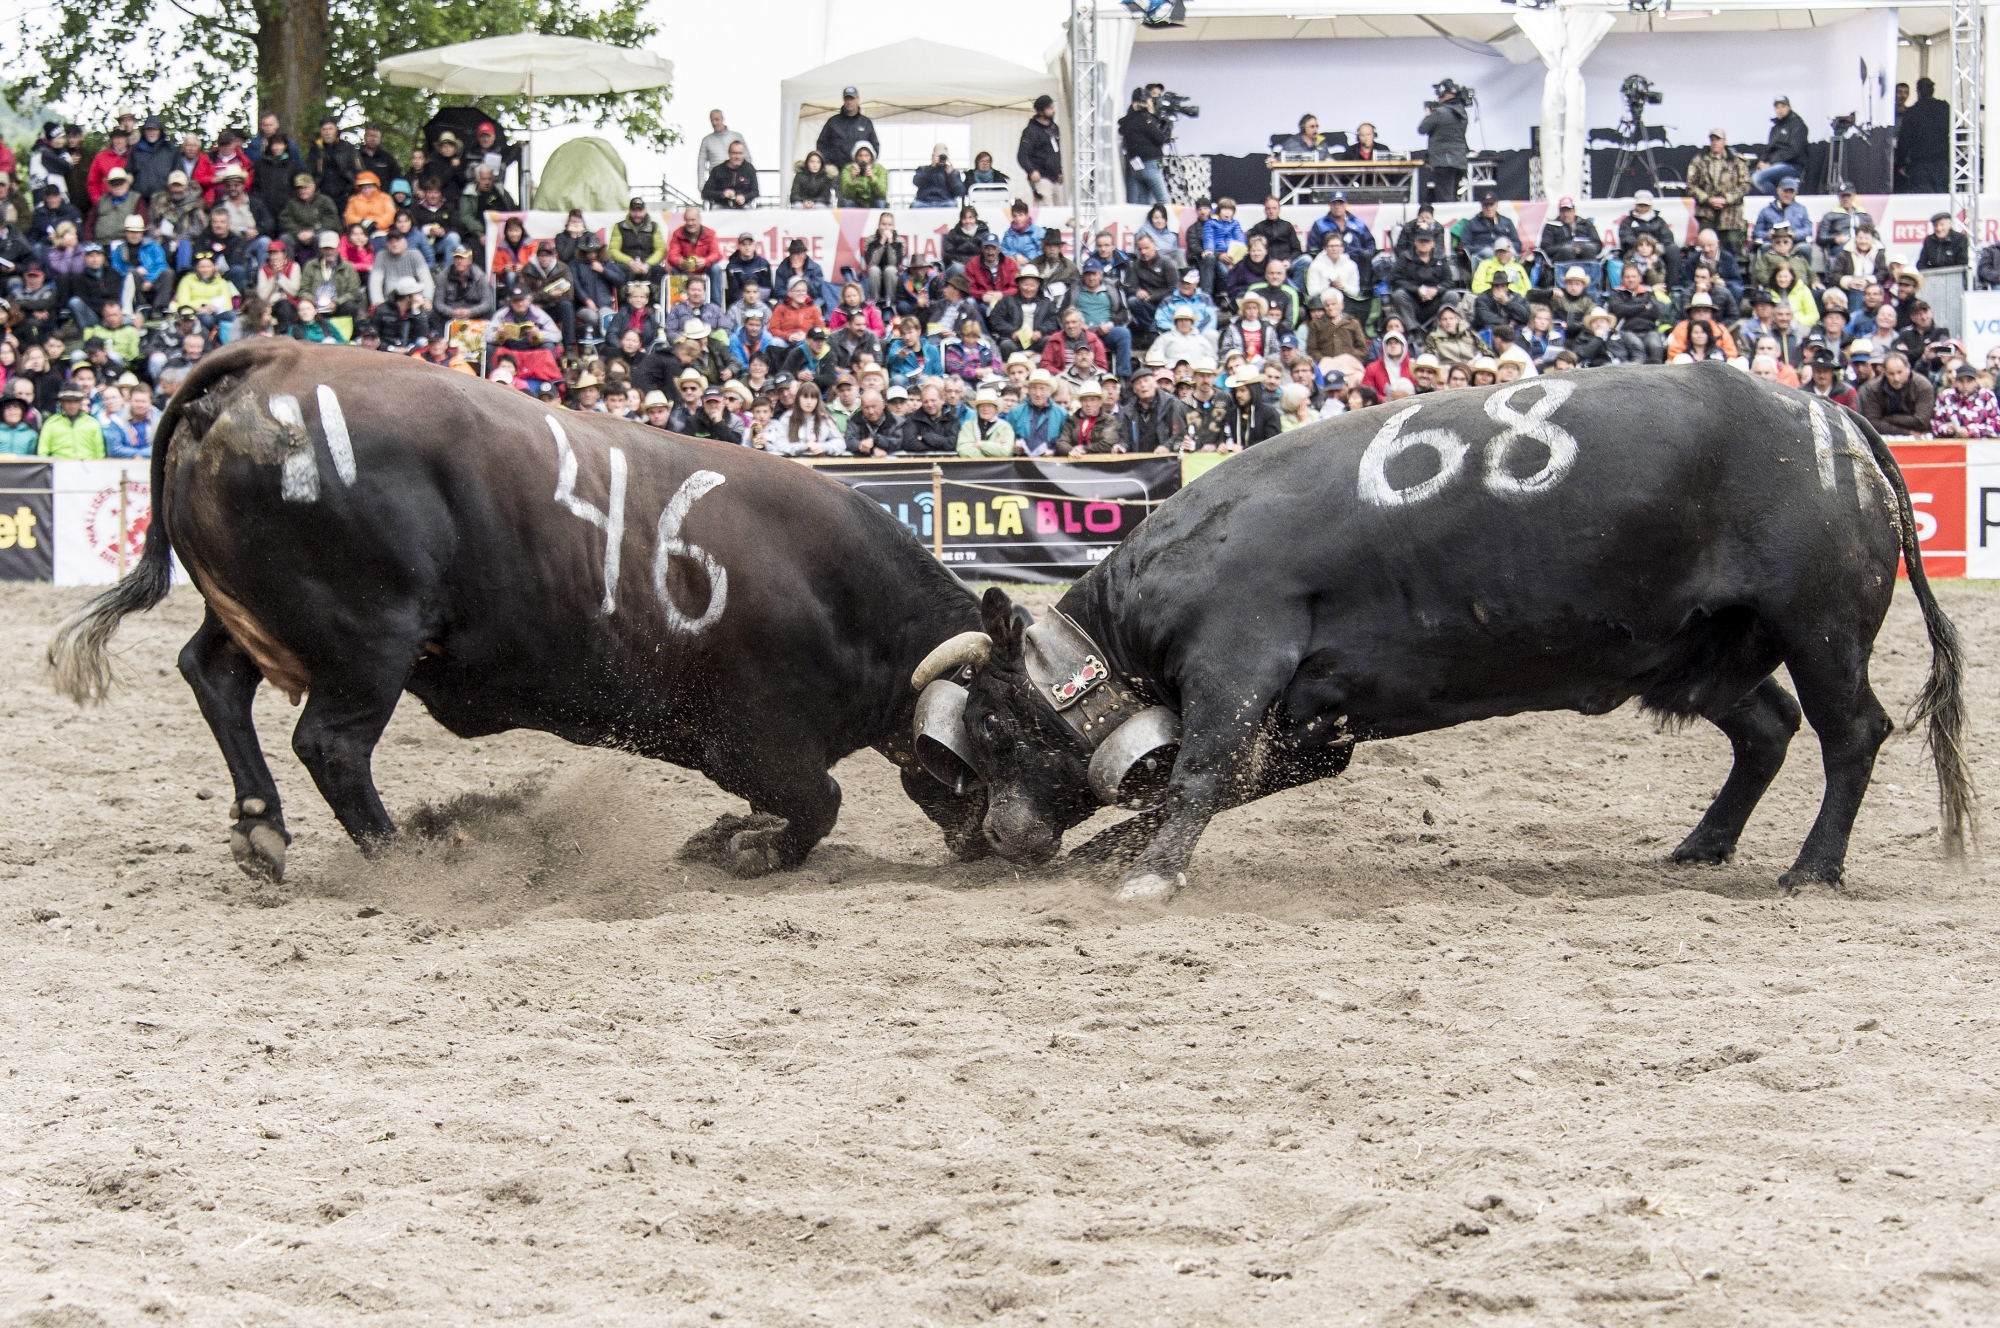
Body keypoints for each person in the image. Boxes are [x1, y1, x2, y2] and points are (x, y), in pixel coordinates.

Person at [1417, 83, 1470, 204]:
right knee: (1452, 196)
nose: (1437, 98)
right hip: (1459, 161)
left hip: (1443, 162)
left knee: (1444, 199)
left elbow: (1422, 129)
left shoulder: (1440, 112)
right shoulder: (1462, 113)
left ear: (1445, 95)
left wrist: (1428, 115)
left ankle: (1448, 222)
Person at [1389, 228, 1452, 331]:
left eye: (1427, 241)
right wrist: (1416, 290)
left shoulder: (1441, 258)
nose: (1424, 244)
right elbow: (1395, 280)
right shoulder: (1405, 257)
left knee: (1452, 295)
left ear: (1433, 244)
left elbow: (1449, 282)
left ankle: (1438, 329)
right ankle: (1413, 331)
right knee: (1398, 295)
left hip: (1435, 301)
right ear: (1415, 242)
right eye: (1421, 241)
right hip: (1412, 301)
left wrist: (1436, 290)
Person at [1896, 78, 1951, 194]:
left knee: (1923, 199)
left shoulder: (1913, 111)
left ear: (1918, 92)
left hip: (1920, 164)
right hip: (1941, 162)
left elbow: (1904, 140)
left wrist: (1901, 163)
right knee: (1942, 197)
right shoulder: (1945, 108)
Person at [1118, 89, 1172, 207]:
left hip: (1134, 166)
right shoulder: (1144, 118)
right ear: (1147, 101)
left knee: (1140, 205)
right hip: (1150, 164)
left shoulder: (1127, 120)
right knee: (1164, 203)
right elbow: (1160, 138)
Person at [1860, 350, 1934, 434]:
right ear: (1884, 372)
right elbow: (1872, 422)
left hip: (1920, 436)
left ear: (1908, 368)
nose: (1896, 378)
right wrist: (1906, 432)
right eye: (1891, 374)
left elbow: (1921, 421)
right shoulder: (1873, 388)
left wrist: (1888, 418)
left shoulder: (1923, 385)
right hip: (1885, 435)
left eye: (1900, 372)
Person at [764, 378, 844, 455]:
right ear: (798, 398)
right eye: (805, 397)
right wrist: (803, 447)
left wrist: (823, 447)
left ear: (818, 400)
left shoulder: (825, 418)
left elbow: (840, 443)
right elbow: (780, 445)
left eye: (813, 398)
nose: (809, 402)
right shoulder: (787, 418)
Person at [1752, 95, 1810, 195]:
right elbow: (1769, 149)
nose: (1780, 110)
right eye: (1777, 107)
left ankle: (1780, 200)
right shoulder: (1775, 128)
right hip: (1774, 164)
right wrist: (1761, 162)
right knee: (1750, 175)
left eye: (1783, 106)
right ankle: (1778, 201)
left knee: (1758, 177)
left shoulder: (1798, 125)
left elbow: (1794, 151)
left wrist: (1770, 163)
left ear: (1789, 107)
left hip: (1792, 166)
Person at [1005, 369, 1068, 456]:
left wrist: (1054, 451)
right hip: (1022, 465)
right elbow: (1007, 440)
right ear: (1029, 390)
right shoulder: (1015, 412)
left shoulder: (1062, 414)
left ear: (1049, 392)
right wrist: (1015, 447)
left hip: (1052, 465)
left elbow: (1066, 442)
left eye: (1042, 389)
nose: (1038, 394)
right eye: (1034, 388)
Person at [815, 87, 878, 172]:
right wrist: (828, 165)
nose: (849, 102)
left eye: (852, 98)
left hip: (860, 174)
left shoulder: (866, 123)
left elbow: (875, 146)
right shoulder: (833, 122)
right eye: (847, 99)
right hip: (837, 172)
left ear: (858, 99)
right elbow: (821, 145)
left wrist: (867, 166)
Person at [1932, 361, 1999, 437]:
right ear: (1956, 382)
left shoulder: (1987, 396)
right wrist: (1946, 428)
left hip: (1979, 444)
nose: (1965, 385)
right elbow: (1935, 424)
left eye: (1969, 381)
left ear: (1975, 381)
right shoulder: (1945, 396)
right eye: (1961, 381)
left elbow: (1996, 425)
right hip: (1952, 443)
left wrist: (1971, 431)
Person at [1019, 95, 1064, 204]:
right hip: (1041, 177)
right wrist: (1031, 170)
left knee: (1058, 210)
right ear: (1041, 111)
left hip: (1054, 177)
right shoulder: (1031, 131)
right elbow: (1022, 155)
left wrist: (1059, 171)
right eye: (1050, 108)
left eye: (1053, 107)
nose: (1054, 111)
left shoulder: (1054, 128)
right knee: (1046, 209)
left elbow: (1056, 152)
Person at [38, 385, 105, 459]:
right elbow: (42, 453)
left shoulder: (92, 423)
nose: (72, 405)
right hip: (60, 467)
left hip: (87, 467)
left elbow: (100, 453)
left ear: (80, 402)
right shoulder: (50, 424)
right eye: (68, 401)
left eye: (75, 401)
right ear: (61, 402)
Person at [610, 197, 665, 285]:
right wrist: (630, 262)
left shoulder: (654, 226)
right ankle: (622, 298)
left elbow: (660, 250)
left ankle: (656, 298)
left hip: (647, 265)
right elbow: (613, 250)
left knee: (659, 271)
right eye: (634, 211)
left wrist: (647, 264)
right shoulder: (619, 226)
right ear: (629, 210)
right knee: (616, 271)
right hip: (627, 265)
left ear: (645, 210)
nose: (637, 214)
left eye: (640, 211)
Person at [1221, 368, 1281, 448]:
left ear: (1253, 391)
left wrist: (1243, 449)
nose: (1238, 395)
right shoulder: (1231, 414)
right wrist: (1222, 445)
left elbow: (1272, 443)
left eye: (1243, 390)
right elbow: (1224, 436)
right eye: (1236, 391)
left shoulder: (1269, 414)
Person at [695, 110, 750, 191]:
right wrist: (702, 187)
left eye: (717, 119)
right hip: (716, 183)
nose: (714, 123)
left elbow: (747, 159)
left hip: (737, 182)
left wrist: (748, 181)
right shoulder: (707, 140)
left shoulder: (736, 137)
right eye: (712, 120)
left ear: (722, 119)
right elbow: (701, 164)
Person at [1538, 196, 1602, 265]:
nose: (1566, 215)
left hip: (1585, 255)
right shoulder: (1551, 225)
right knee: (1567, 250)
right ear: (1559, 212)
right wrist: (1569, 247)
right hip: (1561, 259)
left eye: (1568, 211)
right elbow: (1545, 248)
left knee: (1588, 248)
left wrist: (1582, 248)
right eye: (1563, 211)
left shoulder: (1586, 224)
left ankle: (1591, 274)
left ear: (1574, 211)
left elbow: (1598, 244)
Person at [702, 139, 758, 209]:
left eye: (740, 153)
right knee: (715, 209)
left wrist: (744, 197)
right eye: (734, 153)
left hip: (743, 206)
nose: (737, 157)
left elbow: (755, 192)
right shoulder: (718, 170)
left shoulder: (749, 169)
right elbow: (706, 192)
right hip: (721, 205)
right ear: (729, 154)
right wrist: (722, 194)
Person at [862, 213, 904, 306]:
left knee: (890, 270)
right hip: (874, 277)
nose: (886, 228)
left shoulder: (900, 241)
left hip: (892, 277)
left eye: (889, 225)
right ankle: (874, 304)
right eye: (884, 224)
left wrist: (890, 243)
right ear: (879, 226)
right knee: (873, 270)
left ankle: (891, 304)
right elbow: (872, 262)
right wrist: (881, 242)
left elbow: (894, 263)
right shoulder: (870, 240)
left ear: (893, 227)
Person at [837, 144, 889, 208]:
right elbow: (846, 195)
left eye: (867, 156)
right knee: (847, 203)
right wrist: (853, 179)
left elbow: (882, 194)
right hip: (856, 202)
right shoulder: (848, 169)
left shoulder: (880, 169)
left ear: (871, 157)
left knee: (881, 202)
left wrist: (873, 178)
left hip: (873, 202)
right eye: (860, 156)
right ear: (856, 157)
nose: (863, 159)